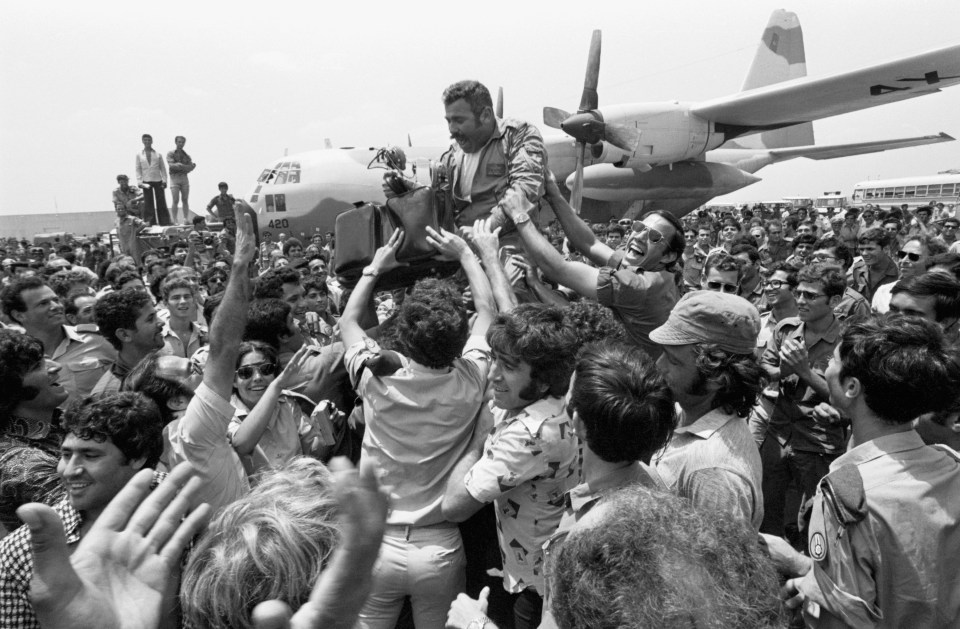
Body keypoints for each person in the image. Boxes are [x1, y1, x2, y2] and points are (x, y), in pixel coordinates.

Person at [339, 227, 496, 629]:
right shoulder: (473, 378)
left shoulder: (373, 378)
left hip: (376, 544)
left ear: (403, 335)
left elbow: (348, 321)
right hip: (439, 547)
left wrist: (374, 268)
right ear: (461, 336)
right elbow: (489, 311)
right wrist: (465, 253)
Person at [775, 315, 960, 628]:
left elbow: (839, 622)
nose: (824, 369)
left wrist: (808, 592)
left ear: (852, 387)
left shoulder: (846, 495)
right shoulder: (950, 464)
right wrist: (813, 579)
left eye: (831, 361)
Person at [442, 305, 581, 629]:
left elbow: (454, 506)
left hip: (538, 591)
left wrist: (480, 433)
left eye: (507, 367)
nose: (492, 375)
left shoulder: (530, 435)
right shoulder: (553, 397)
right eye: (494, 359)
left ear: (544, 381)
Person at [125, 202, 257, 515]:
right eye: (187, 370)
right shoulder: (190, 433)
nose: (197, 365)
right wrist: (239, 266)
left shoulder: (157, 440)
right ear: (173, 402)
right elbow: (224, 347)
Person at [538, 340, 676, 629]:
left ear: (578, 423)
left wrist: (475, 622)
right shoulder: (656, 483)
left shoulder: (582, 536)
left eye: (570, 391)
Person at [0, 392, 168, 628]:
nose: (69, 470)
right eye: (66, 454)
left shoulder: (184, 510)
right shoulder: (21, 552)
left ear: (137, 457)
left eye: (90, 455)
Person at [506, 172, 683, 359]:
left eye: (654, 237)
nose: (639, 236)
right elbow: (591, 244)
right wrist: (554, 195)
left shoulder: (639, 286)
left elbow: (558, 269)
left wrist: (519, 215)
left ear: (669, 256)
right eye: (639, 228)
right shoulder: (653, 265)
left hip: (630, 376)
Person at [650, 291, 766, 530]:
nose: (658, 366)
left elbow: (719, 565)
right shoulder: (683, 413)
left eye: (673, 360)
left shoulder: (715, 474)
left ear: (715, 377)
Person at [759, 263, 846, 543]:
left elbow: (846, 402)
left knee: (816, 513)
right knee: (767, 506)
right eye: (799, 293)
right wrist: (785, 370)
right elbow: (767, 371)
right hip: (778, 431)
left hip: (817, 440)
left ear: (834, 301)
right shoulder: (786, 330)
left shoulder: (847, 342)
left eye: (810, 296)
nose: (800, 301)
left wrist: (804, 371)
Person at [0, 276, 115, 404]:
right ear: (19, 315)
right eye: (43, 303)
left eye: (56, 300)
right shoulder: (14, 355)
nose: (56, 306)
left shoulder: (97, 339)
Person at [228, 341, 331, 478]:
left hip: (301, 488)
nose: (258, 378)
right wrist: (276, 386)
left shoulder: (287, 403)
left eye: (266, 369)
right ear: (233, 381)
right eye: (246, 372)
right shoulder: (225, 413)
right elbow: (241, 445)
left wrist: (326, 431)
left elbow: (313, 454)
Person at [0, 331, 67, 534]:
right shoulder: (22, 465)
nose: (56, 366)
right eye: (38, 366)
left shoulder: (63, 421)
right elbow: (88, 519)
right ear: (11, 389)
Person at [90, 288, 164, 396]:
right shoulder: (111, 395)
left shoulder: (166, 366)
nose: (161, 323)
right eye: (150, 319)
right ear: (124, 335)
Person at [157, 276, 206, 359]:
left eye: (187, 297)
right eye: (176, 298)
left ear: (193, 300)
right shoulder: (157, 336)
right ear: (165, 302)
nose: (183, 301)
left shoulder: (204, 334)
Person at [848, 227, 898, 303]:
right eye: (861, 249)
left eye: (870, 249)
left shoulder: (899, 273)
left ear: (886, 249)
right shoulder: (858, 269)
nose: (864, 254)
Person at [134, 133, 170, 226]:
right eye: (145, 140)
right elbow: (138, 169)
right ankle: (150, 222)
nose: (147, 142)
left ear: (152, 141)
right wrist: (139, 181)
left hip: (158, 180)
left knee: (161, 202)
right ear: (142, 141)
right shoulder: (139, 155)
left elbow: (163, 169)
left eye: (149, 140)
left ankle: (164, 222)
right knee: (148, 203)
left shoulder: (158, 155)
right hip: (146, 181)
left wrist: (165, 181)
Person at [111, 174, 146, 258]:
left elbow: (143, 195)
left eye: (125, 181)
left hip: (135, 212)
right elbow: (116, 202)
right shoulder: (116, 191)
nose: (124, 183)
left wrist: (134, 200)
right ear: (119, 182)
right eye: (122, 181)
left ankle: (142, 219)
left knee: (142, 202)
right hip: (124, 212)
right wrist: (125, 207)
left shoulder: (133, 189)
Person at [166, 135, 196, 225]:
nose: (181, 144)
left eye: (182, 142)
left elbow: (191, 167)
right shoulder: (171, 153)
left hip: (184, 177)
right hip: (174, 177)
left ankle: (185, 219)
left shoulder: (186, 155)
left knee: (185, 199)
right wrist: (184, 167)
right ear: (176, 142)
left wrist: (181, 166)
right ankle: (174, 219)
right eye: (179, 142)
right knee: (175, 200)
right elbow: (172, 165)